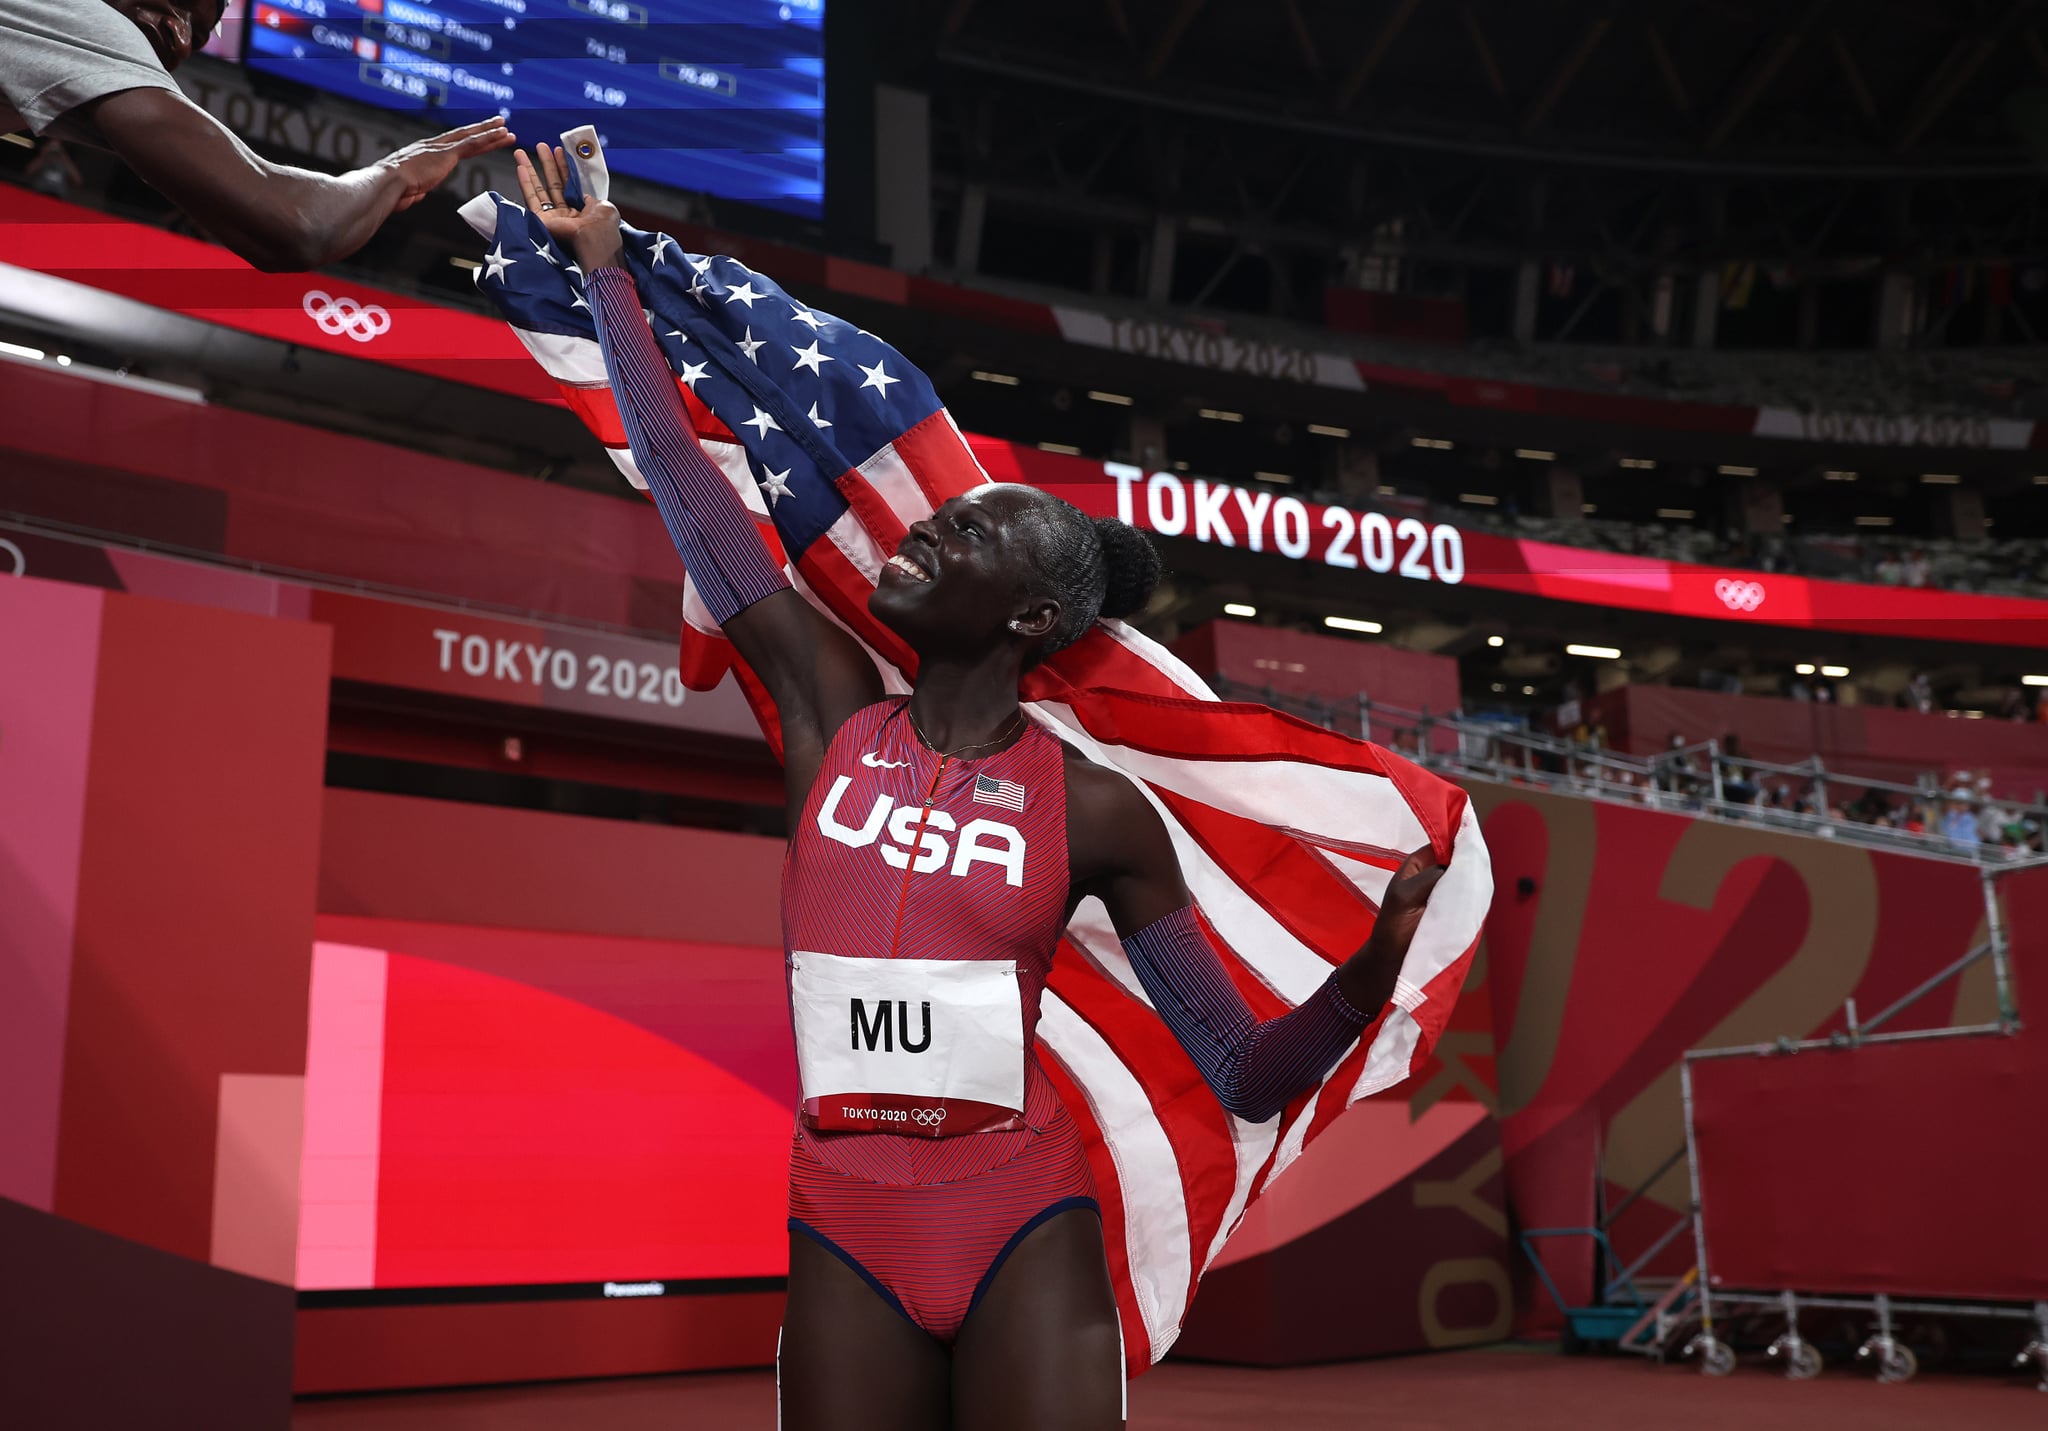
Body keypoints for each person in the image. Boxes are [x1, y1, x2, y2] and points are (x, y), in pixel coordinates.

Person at [516, 143, 1447, 1430]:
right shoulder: (828, 714)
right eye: (939, 518)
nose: (923, 530)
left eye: (969, 531)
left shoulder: (1096, 810)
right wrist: (609, 276)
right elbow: (686, 484)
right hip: (842, 1222)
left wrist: (1368, 969)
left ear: (1028, 614)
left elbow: (1239, 1069)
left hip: (1019, 1220)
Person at [0, 0, 514, 270]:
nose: (178, 36)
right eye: (174, 1)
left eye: (197, 33)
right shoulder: (72, 14)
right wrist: (393, 172)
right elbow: (295, 224)